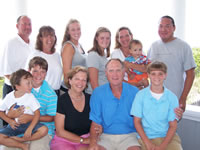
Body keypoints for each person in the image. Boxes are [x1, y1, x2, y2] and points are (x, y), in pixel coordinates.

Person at [2, 56, 57, 150]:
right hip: (17, 126)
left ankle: (22, 140)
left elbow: (51, 117)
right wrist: (10, 115)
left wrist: (30, 118)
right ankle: (20, 143)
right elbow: (6, 111)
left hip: (41, 128)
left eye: (42, 71)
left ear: (46, 74)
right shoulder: (21, 88)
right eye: (35, 71)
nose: (38, 75)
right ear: (29, 71)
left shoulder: (50, 94)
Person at [89, 59, 140, 150]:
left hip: (129, 136)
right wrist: (93, 143)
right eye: (111, 71)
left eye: (118, 70)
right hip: (105, 136)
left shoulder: (134, 92)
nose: (115, 75)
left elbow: (141, 119)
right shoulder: (98, 93)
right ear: (106, 73)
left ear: (124, 72)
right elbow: (95, 122)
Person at [147, 15, 196, 111]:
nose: (163, 29)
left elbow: (190, 74)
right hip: (154, 99)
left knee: (172, 125)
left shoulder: (183, 46)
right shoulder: (153, 46)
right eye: (161, 26)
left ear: (174, 28)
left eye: (167, 26)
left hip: (174, 99)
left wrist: (183, 98)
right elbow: (146, 70)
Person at [131, 61, 182, 150]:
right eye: (153, 74)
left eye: (160, 74)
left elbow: (173, 125)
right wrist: (148, 143)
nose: (156, 77)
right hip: (146, 137)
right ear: (149, 75)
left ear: (165, 75)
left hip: (167, 137)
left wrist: (162, 146)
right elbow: (137, 122)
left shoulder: (172, 97)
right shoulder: (140, 95)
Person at [0, 69, 48, 150]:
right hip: (14, 125)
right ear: (17, 86)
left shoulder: (30, 97)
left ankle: (22, 139)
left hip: (29, 124)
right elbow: (1, 112)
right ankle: (22, 145)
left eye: (31, 82)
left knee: (44, 130)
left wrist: (30, 128)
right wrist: (9, 121)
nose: (31, 86)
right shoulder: (9, 97)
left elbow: (37, 114)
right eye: (28, 83)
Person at [50, 66, 91, 150]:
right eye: (77, 79)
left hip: (86, 138)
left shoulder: (91, 99)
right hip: (64, 140)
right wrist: (82, 140)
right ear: (70, 81)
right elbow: (60, 131)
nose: (80, 82)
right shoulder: (62, 101)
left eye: (84, 80)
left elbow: (96, 123)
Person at [1, 15, 34, 99]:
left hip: (28, 90)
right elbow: (6, 72)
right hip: (13, 89)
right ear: (17, 26)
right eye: (24, 24)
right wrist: (20, 86)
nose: (27, 26)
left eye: (29, 24)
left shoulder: (33, 44)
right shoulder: (11, 43)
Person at [26, 26, 62, 96]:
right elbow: (27, 75)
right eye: (46, 36)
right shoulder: (35, 54)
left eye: (52, 35)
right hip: (40, 94)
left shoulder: (57, 55)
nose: (49, 38)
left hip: (55, 93)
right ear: (40, 38)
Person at [60, 19, 87, 93]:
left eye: (78, 29)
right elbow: (66, 74)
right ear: (68, 32)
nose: (76, 32)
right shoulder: (68, 46)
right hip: (70, 90)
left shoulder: (79, 45)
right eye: (73, 30)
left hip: (79, 88)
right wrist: (74, 93)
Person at [86, 27, 111, 94]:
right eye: (102, 38)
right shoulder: (93, 55)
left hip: (104, 93)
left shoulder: (104, 56)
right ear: (96, 38)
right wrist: (99, 97)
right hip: (95, 95)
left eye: (107, 38)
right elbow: (93, 82)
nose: (105, 40)